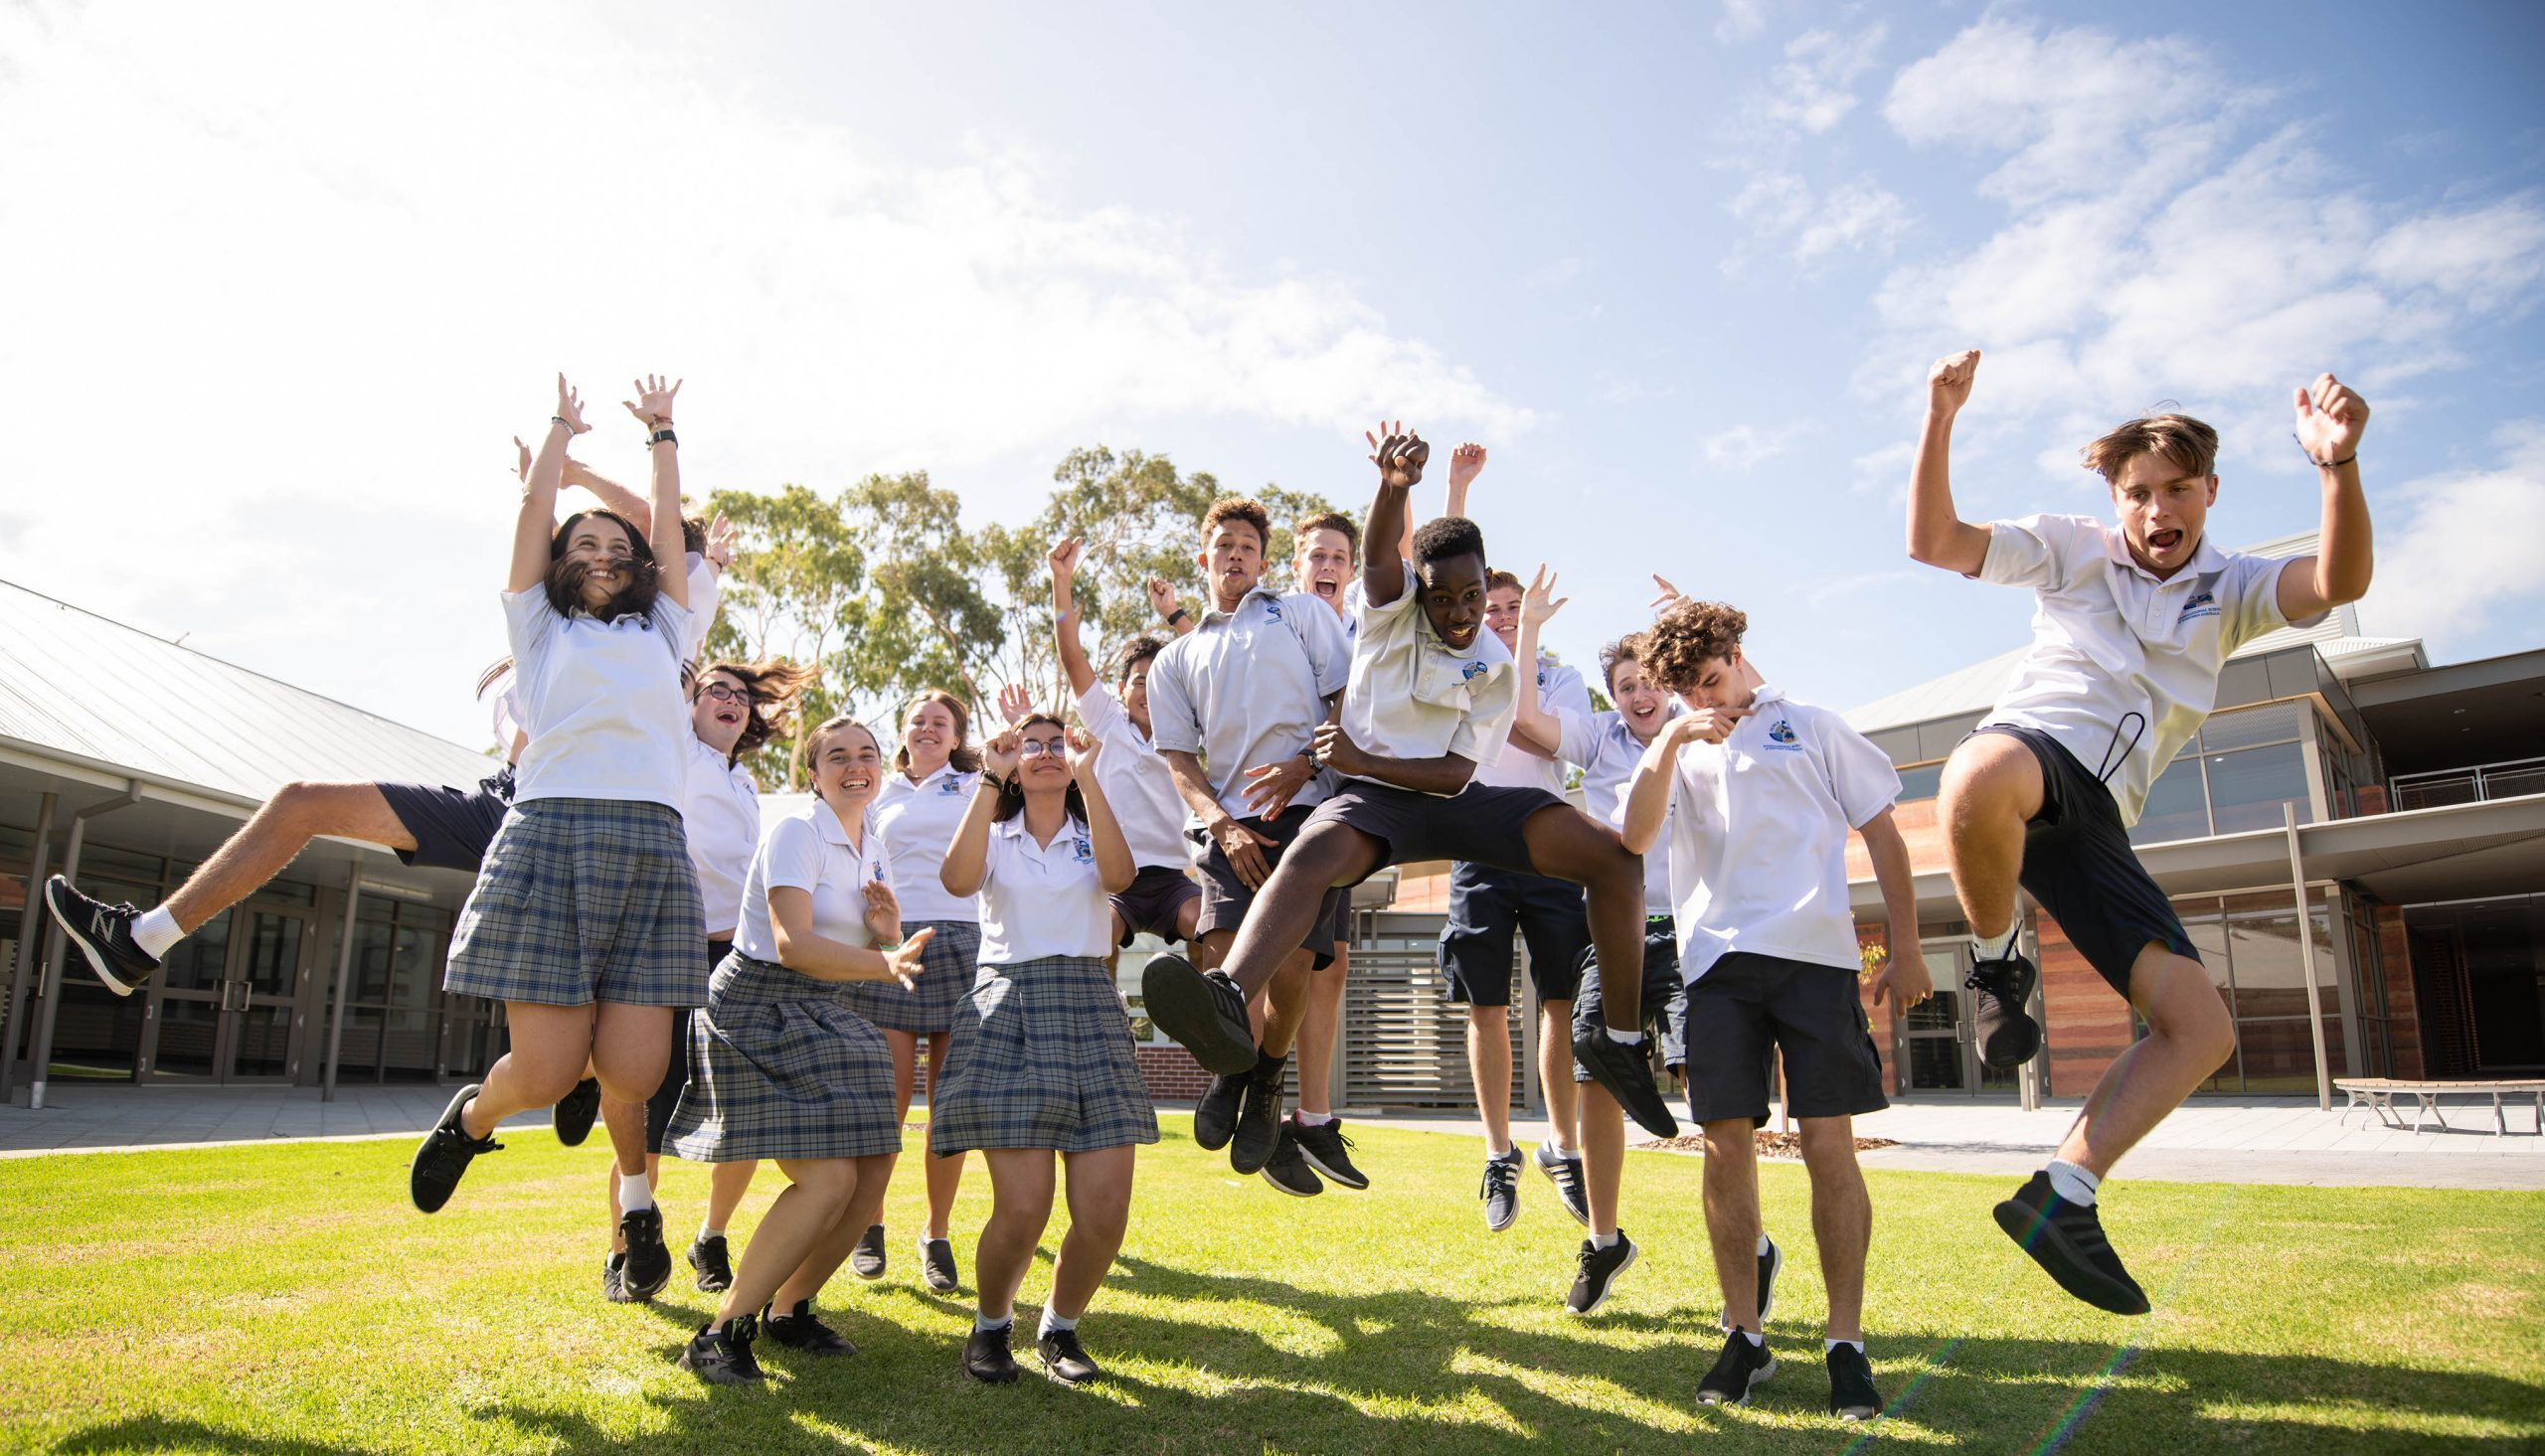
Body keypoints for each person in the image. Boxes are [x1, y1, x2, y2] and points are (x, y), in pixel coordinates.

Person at [1907, 350, 2373, 1315]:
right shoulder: (2073, 548)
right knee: (1976, 772)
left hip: (2102, 815)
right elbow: (1935, 542)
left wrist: (2335, 468)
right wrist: (1940, 416)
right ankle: (1997, 961)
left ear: (2208, 491)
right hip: (2034, 752)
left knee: (2200, 1029)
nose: (2156, 511)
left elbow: (2334, 578)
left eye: (2175, 492)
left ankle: (2061, 1192)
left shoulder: (2235, 586)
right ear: (2113, 498)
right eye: (2136, 493)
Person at [1141, 425, 1680, 1174]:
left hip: (1449, 794)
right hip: (1374, 802)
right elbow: (1376, 554)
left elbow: (1459, 774)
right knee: (1317, 851)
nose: (1461, 613)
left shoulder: (1493, 666)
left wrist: (1358, 755)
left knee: (1617, 861)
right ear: (1415, 592)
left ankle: (1619, 1040)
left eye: (1472, 597)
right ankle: (1229, 995)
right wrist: (1395, 484)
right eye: (1445, 599)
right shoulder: (1390, 608)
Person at [402, 374, 703, 1325]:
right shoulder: (536, 627)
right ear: (560, 562)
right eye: (587, 543)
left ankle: (638, 1208)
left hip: (651, 849)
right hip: (553, 838)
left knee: (637, 1071)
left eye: (620, 545)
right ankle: (472, 1120)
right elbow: (534, 513)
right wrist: (558, 437)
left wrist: (664, 432)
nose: (607, 551)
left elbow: (667, 518)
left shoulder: (670, 626)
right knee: (542, 1072)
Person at [1615, 597, 1924, 1418]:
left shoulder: (1815, 725)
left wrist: (1910, 945)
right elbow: (1637, 838)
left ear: (1739, 652)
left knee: (1829, 1144)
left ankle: (1846, 1344)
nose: (1705, 701)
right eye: (1688, 693)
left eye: (1713, 682)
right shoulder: (1678, 745)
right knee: (1723, 1147)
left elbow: (1886, 836)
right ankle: (1746, 1336)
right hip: (1716, 965)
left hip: (1816, 961)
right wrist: (1674, 737)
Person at [662, 715, 937, 1383]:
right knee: (828, 1178)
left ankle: (790, 1308)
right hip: (756, 1006)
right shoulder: (797, 831)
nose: (855, 766)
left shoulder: (873, 839)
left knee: (872, 1169)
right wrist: (886, 961)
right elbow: (793, 944)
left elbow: (869, 944)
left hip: (821, 1005)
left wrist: (888, 930)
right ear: (812, 773)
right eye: (837, 756)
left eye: (867, 754)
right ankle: (720, 1331)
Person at [932, 713, 1154, 1385]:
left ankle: (1060, 1326)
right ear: (1014, 763)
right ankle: (991, 1324)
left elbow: (1121, 875)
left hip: (1088, 1005)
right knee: (1024, 1208)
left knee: (1104, 1215)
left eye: (1058, 743)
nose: (1046, 752)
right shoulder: (994, 833)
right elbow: (955, 881)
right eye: (1031, 744)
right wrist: (987, 780)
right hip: (1011, 1009)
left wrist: (1091, 772)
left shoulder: (1094, 832)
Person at [1142, 497, 1352, 1197]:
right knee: (1223, 964)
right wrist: (1221, 823)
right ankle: (1237, 1070)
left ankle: (1265, 1078)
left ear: (1264, 562)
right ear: (1204, 559)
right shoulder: (1175, 657)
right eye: (1223, 544)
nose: (1235, 554)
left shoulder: (1300, 614)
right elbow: (1178, 758)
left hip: (1307, 815)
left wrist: (1308, 766)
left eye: (1247, 546)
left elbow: (1345, 701)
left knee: (1293, 969)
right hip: (1228, 827)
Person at [595, 657, 818, 1300]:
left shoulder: (746, 781)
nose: (730, 701)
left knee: (741, 1110)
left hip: (731, 961)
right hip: (663, 945)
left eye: (741, 696)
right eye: (714, 690)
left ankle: (711, 1236)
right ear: (689, 702)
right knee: (644, 1104)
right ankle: (624, 1249)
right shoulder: (672, 749)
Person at [835, 690, 985, 1294]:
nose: (927, 729)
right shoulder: (876, 793)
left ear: (956, 737)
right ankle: (870, 1225)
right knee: (885, 1103)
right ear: (903, 732)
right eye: (918, 721)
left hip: (964, 942)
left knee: (947, 1109)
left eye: (940, 723)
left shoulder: (977, 787)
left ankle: (937, 1233)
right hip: (894, 946)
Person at [1044, 539, 1204, 958]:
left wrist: (1175, 614)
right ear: (1120, 689)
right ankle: (1106, 1011)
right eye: (1139, 681)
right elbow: (1071, 656)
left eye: (1159, 681)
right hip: (1116, 878)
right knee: (1097, 934)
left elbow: (1210, 660)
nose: (1148, 690)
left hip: (1173, 878)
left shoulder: (1187, 727)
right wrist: (1062, 582)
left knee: (1212, 926)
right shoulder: (1108, 722)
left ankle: (1211, 1013)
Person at [1278, 509, 1375, 1193]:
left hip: (1340, 807)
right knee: (1275, 963)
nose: (1329, 565)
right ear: (1296, 565)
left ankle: (1313, 1115)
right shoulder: (1277, 619)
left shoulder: (1362, 627)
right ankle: (1258, 1102)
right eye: (1317, 554)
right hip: (1276, 805)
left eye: (1340, 555)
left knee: (1331, 964)